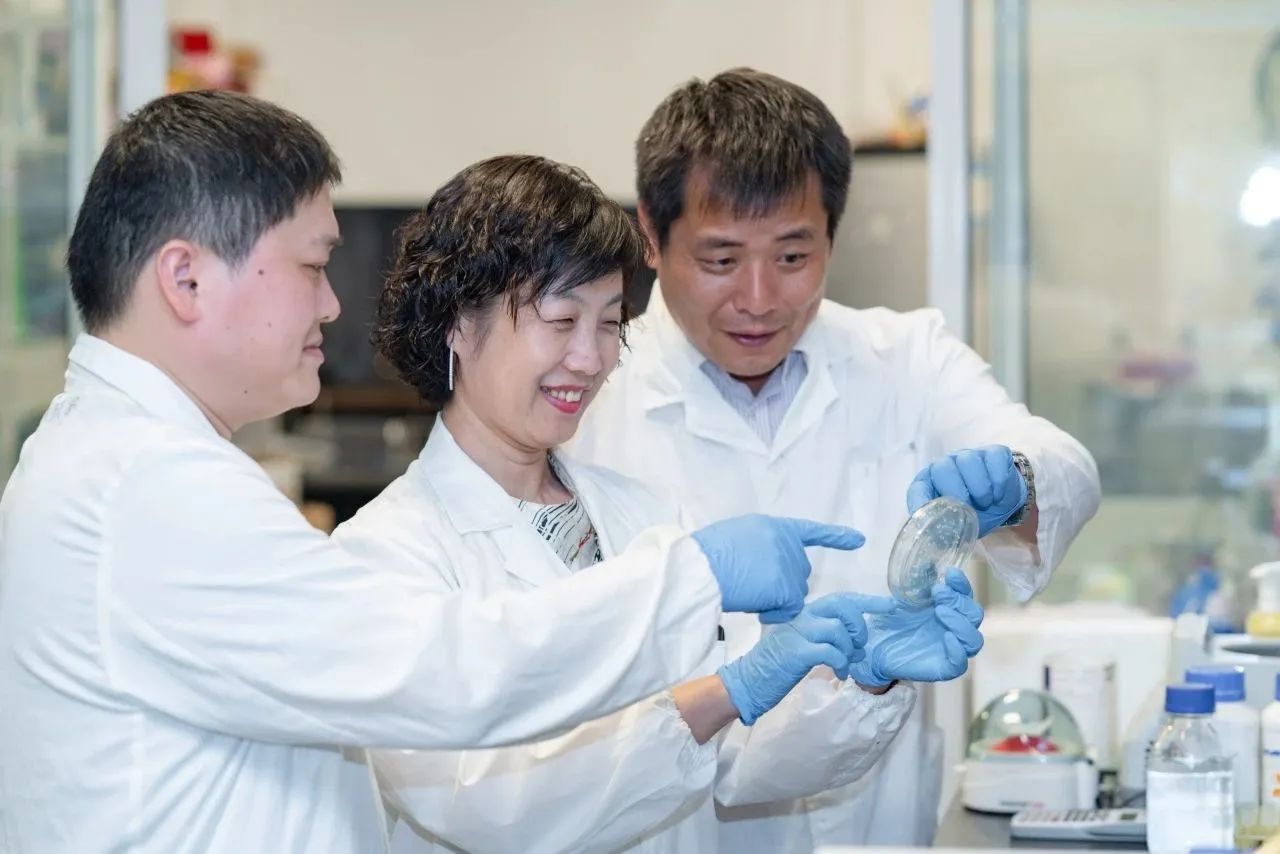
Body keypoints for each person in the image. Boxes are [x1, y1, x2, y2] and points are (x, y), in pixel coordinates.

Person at [0, 92, 865, 854]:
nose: (331, 303)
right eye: (312, 265)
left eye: (609, 323)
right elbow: (445, 673)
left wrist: (858, 673)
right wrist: (696, 587)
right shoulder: (150, 488)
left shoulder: (122, 464)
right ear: (185, 278)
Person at [331, 153, 985, 854]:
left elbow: (742, 764)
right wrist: (725, 692)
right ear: (459, 322)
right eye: (561, 319)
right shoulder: (383, 558)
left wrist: (868, 680)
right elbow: (486, 807)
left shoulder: (635, 514)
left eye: (609, 323)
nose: (590, 359)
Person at [568, 67, 1103, 847]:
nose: (758, 299)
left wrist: (1014, 480)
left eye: (793, 257)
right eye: (720, 260)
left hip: (871, 824)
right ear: (650, 233)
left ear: (832, 236)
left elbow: (1064, 465)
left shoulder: (904, 357)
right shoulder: (587, 398)